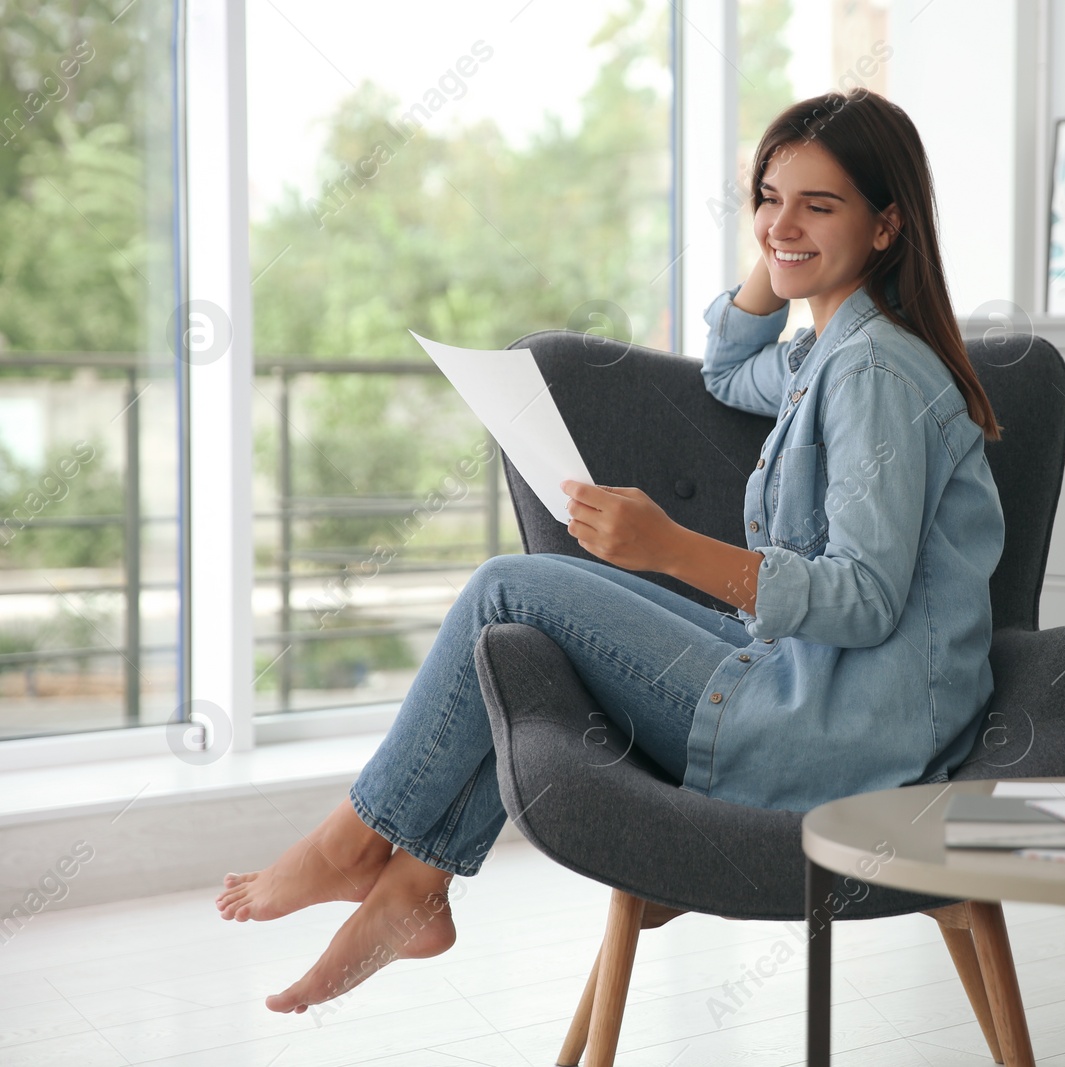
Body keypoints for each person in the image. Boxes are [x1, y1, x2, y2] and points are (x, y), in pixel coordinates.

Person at [215, 86, 1006, 1015]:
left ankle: (358, 848)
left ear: (888, 225)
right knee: (527, 618)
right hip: (811, 684)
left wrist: (670, 548)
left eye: (818, 204)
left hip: (834, 734)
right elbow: (723, 364)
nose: (779, 222)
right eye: (766, 194)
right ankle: (413, 884)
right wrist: (784, 251)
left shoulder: (873, 371)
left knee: (508, 589)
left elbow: (867, 598)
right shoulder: (829, 348)